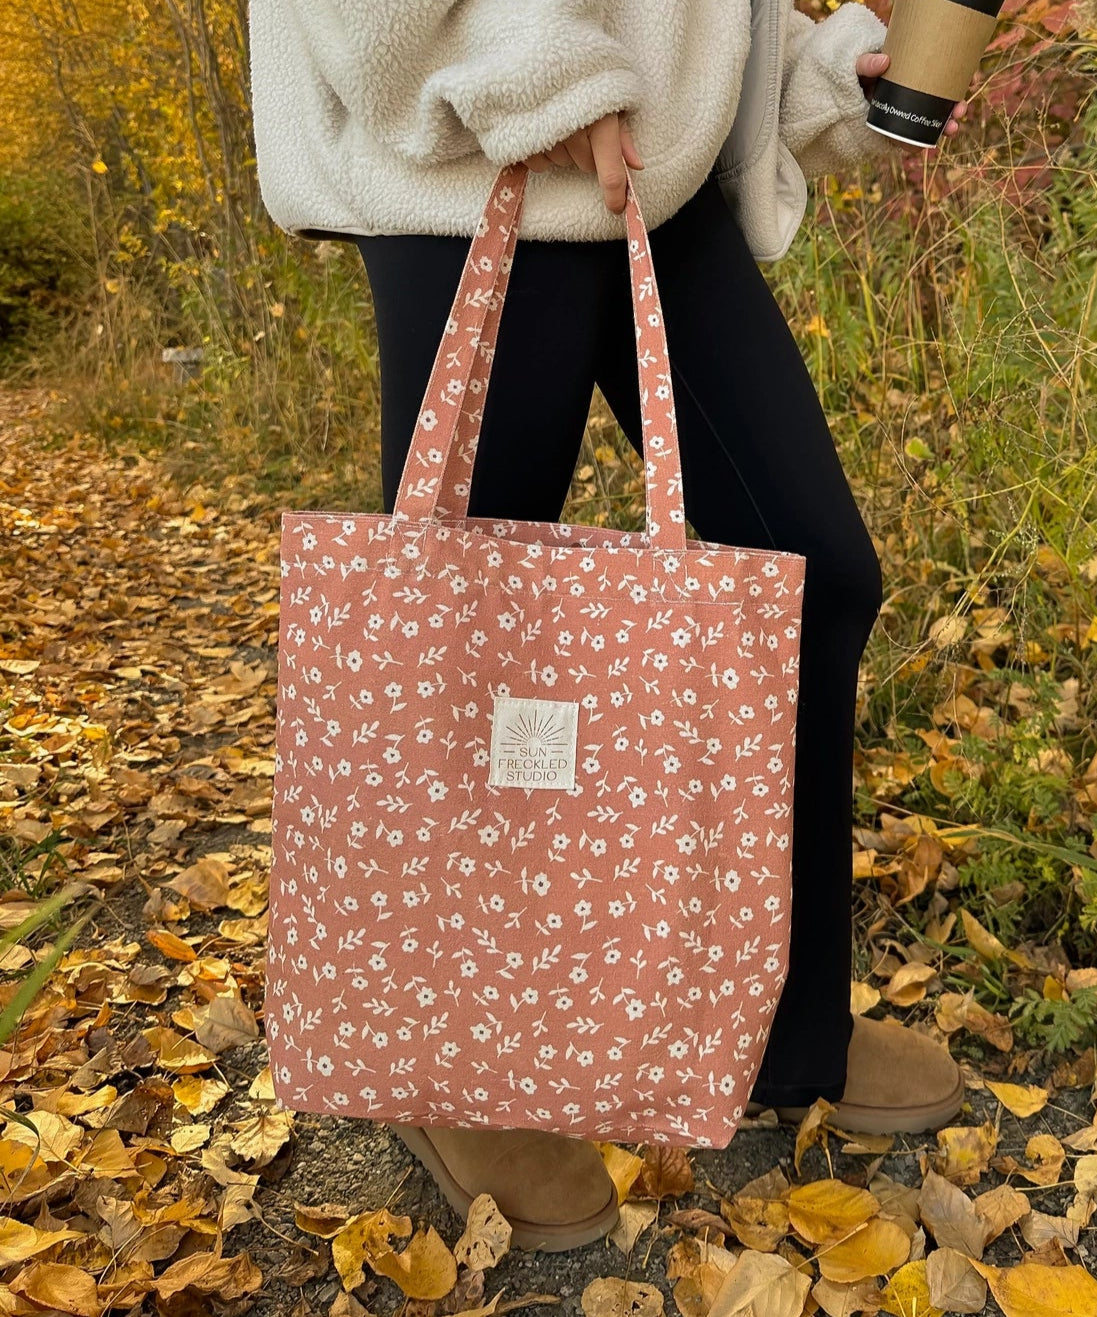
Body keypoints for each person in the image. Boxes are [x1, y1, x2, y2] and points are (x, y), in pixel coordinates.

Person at [250, 0, 970, 1252]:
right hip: (471, 148)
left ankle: (770, 1020)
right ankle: (443, 1064)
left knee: (809, 576)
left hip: (649, 168)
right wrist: (527, 67)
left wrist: (794, 73)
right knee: (462, 642)